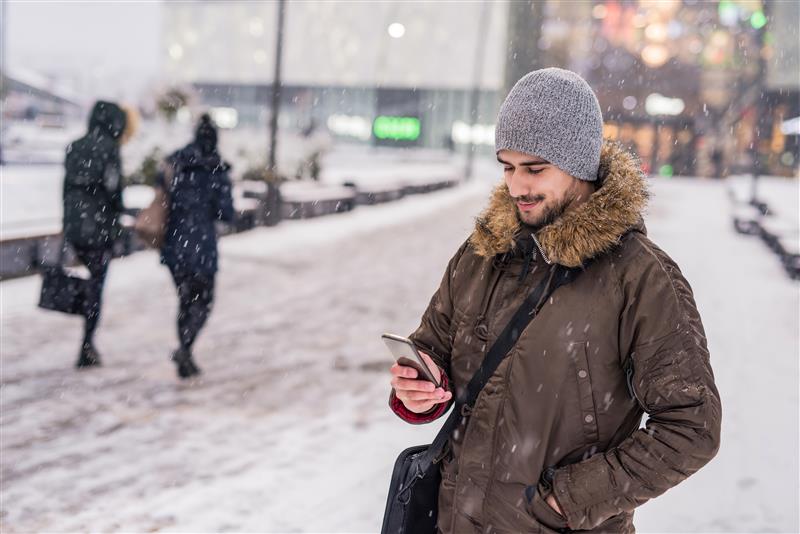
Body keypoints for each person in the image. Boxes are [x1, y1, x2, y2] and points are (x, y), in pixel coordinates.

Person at [388, 68, 721, 533]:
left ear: (579, 164)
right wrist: (418, 389)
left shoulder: (641, 276)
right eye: (507, 166)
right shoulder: (482, 253)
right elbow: (433, 348)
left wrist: (566, 501)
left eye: (535, 168)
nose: (517, 186)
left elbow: (692, 428)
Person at [62, 101, 136, 368]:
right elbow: (113, 189)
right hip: (99, 228)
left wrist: (68, 221)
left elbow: (67, 188)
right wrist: (119, 210)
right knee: (97, 284)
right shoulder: (110, 149)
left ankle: (86, 339)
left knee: (90, 279)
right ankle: (87, 344)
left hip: (75, 224)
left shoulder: (75, 146)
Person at [160, 114, 234, 379]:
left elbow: (163, 191)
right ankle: (185, 348)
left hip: (175, 244)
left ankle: (185, 351)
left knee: (185, 300)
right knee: (204, 302)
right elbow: (226, 213)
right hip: (201, 245)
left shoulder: (175, 161)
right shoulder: (217, 167)